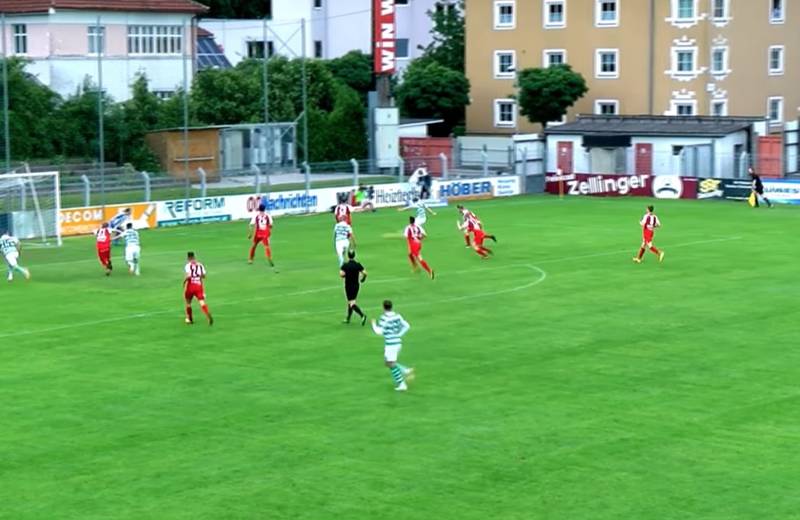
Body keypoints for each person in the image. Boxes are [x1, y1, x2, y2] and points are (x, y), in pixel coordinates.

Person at [371, 300, 414, 392]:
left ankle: (402, 382)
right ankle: (405, 371)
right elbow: (407, 326)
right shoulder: (397, 316)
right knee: (388, 363)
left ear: (383, 307)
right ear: (391, 307)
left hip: (391, 344)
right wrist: (399, 334)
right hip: (397, 342)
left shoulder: (384, 318)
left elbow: (379, 331)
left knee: (390, 363)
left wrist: (373, 324)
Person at [184, 251, 213, 325]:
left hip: (190, 285)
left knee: (188, 303)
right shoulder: (200, 265)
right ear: (194, 257)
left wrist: (184, 282)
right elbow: (203, 276)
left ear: (188, 258)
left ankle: (189, 319)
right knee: (201, 302)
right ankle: (207, 313)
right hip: (198, 285)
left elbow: (188, 276)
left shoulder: (188, 265)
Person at [339, 250, 368, 325]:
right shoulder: (357, 265)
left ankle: (362, 315)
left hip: (348, 285)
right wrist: (363, 279)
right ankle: (348, 318)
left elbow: (341, 274)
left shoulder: (345, 265)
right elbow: (365, 273)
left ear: (348, 256)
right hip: (356, 285)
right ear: (354, 255)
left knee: (351, 303)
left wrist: (347, 274)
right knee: (351, 302)